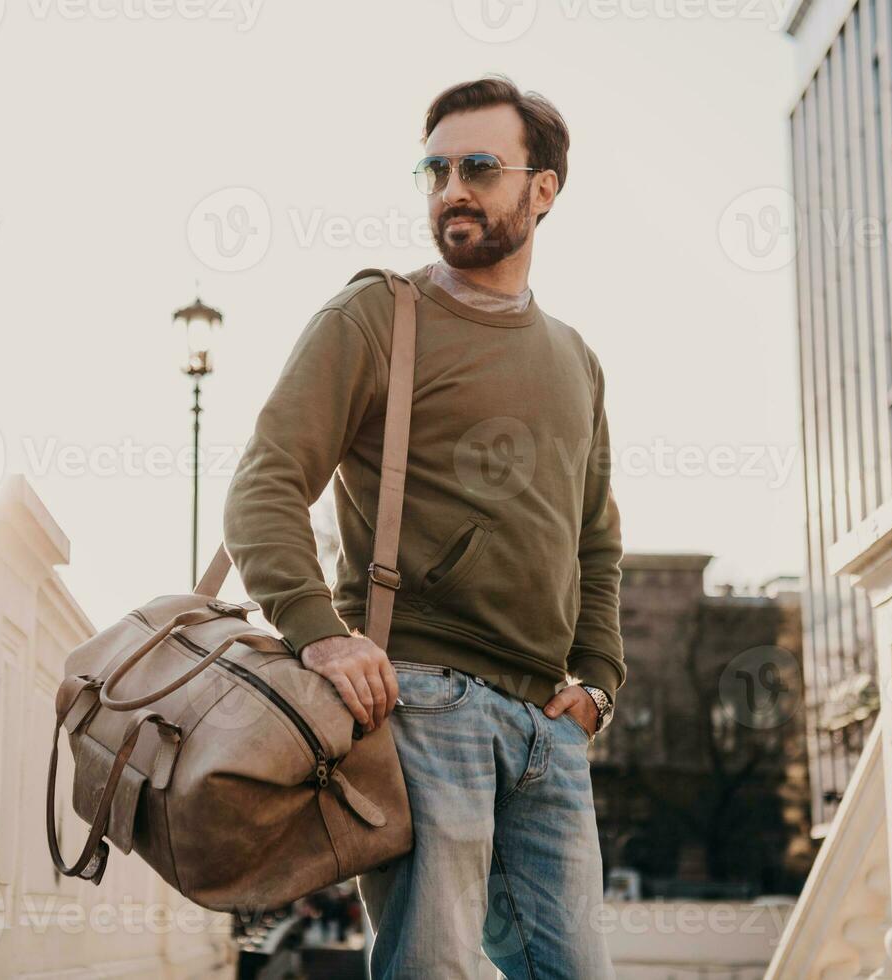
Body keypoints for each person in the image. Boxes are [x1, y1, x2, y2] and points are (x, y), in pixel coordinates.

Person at [223, 75, 623, 978]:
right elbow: (265, 484)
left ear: (543, 188)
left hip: (549, 729)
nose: (452, 189)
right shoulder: (374, 315)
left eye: (480, 166)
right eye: (434, 170)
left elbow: (595, 539)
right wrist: (319, 633)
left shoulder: (576, 359)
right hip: (419, 704)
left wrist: (597, 684)